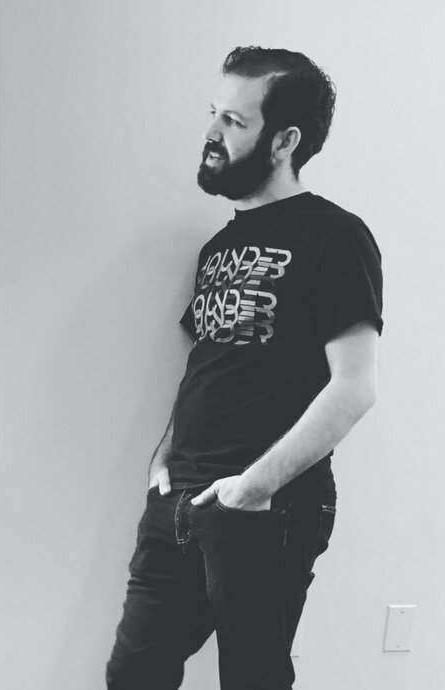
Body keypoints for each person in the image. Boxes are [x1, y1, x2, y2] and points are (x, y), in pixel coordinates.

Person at [106, 47, 383, 690]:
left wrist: (252, 488)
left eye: (234, 121)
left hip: (265, 509)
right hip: (179, 501)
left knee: (253, 679)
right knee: (134, 675)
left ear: (285, 141)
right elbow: (207, 364)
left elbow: (355, 387)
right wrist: (165, 455)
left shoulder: (336, 236)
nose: (211, 132)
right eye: (214, 113)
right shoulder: (219, 247)